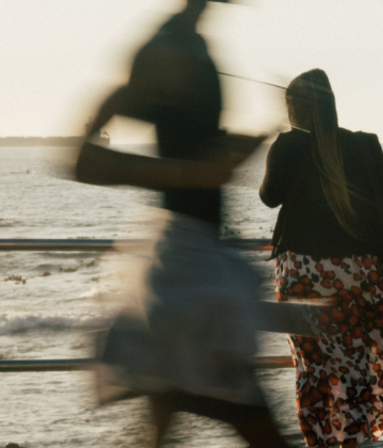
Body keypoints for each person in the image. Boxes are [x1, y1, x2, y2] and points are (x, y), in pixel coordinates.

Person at [72, 1, 292, 447]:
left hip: (196, 260)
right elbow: (82, 158)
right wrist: (185, 174)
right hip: (189, 272)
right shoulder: (168, 49)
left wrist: (257, 135)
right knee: (254, 425)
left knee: (160, 428)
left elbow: (200, 154)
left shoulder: (191, 43)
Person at [260, 69, 383, 448]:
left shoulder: (289, 146)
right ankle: (354, 442)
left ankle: (319, 443)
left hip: (301, 274)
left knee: (313, 370)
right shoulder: (364, 144)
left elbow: (268, 197)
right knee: (355, 371)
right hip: (357, 273)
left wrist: (285, 146)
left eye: (290, 103)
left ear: (298, 106)